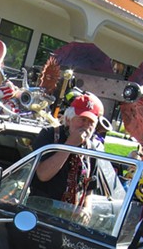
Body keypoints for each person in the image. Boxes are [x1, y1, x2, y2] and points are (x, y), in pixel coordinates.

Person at [30, 92, 105, 222]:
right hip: (40, 216)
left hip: (71, 221)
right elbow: (42, 175)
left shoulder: (91, 149)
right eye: (82, 119)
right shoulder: (49, 136)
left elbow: (89, 188)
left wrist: (87, 208)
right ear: (69, 119)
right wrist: (70, 144)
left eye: (91, 122)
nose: (86, 126)